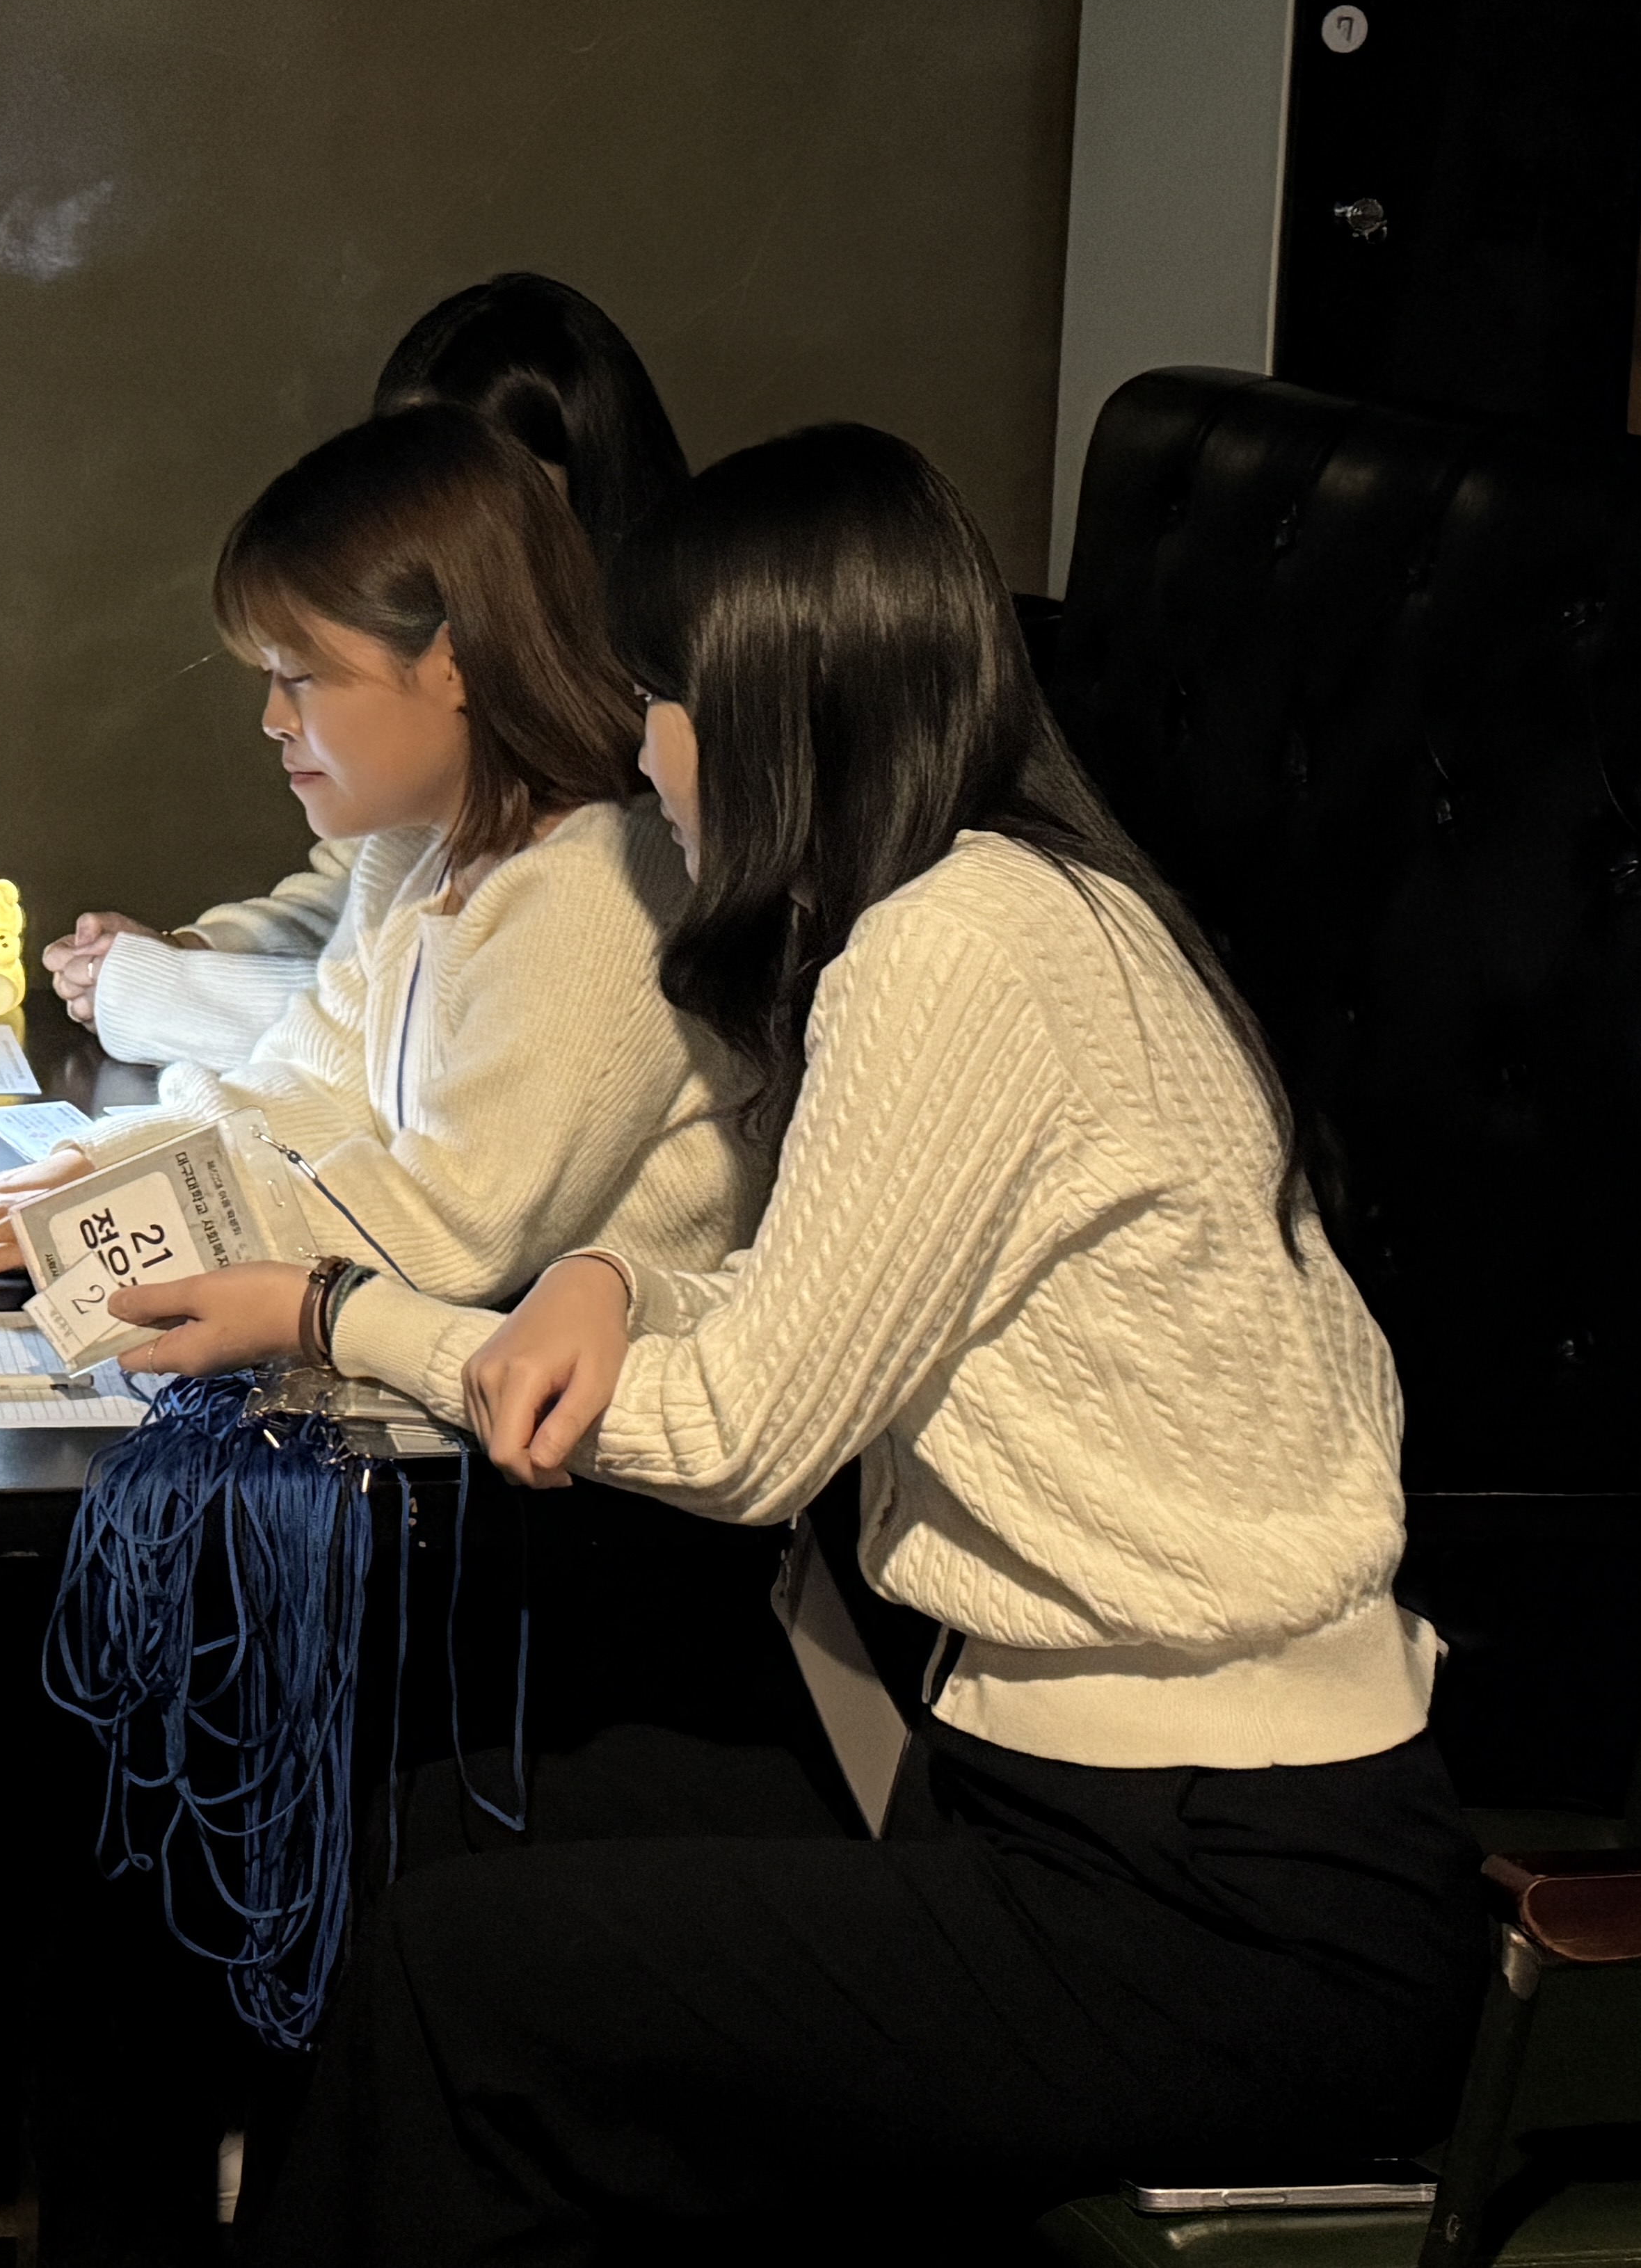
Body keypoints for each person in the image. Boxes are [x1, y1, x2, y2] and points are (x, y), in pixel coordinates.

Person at [107, 425, 1478, 2260]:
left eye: (659, 700)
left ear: (762, 709)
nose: (637, 751)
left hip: (1224, 1893)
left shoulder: (955, 949)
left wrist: (345, 1314)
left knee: (463, 1974)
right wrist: (620, 1280)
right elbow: (828, 1301)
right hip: (1060, 1795)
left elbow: (748, 1441)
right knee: (418, 1836)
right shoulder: (1010, 902)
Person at [0, 403, 750, 1330]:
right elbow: (306, 1093)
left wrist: (102, 1224)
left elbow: (445, 1230)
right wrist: (82, 1172)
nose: (273, 720)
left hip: (595, 1415)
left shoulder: (600, 890)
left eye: (302, 677)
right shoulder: (415, 859)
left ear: (453, 661)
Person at [47, 273, 688, 1072]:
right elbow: (361, 914)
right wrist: (191, 951)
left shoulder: (621, 839)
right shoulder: (401, 847)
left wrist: (165, 995)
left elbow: (428, 1053)